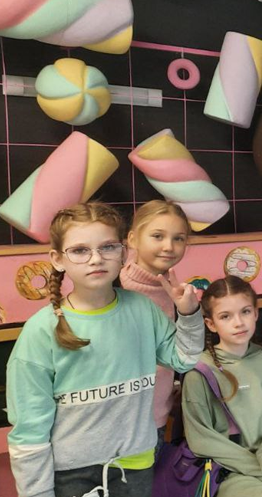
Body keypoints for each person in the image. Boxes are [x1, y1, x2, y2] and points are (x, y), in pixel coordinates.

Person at [6, 202, 204, 497]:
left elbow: (184, 359)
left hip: (135, 463)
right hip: (71, 472)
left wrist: (189, 314)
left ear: (123, 252)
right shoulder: (41, 331)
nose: (96, 259)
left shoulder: (143, 310)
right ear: (57, 259)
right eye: (80, 250)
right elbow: (29, 427)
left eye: (108, 247)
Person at [182, 276, 262, 497]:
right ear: (211, 324)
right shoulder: (199, 372)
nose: (238, 323)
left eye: (245, 312)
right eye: (225, 316)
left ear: (255, 313)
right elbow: (201, 438)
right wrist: (259, 469)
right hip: (229, 469)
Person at [120, 200, 193, 448]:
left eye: (178, 238)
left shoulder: (176, 292)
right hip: (119, 420)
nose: (168, 247)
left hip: (158, 416)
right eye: (158, 236)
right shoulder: (114, 289)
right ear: (133, 239)